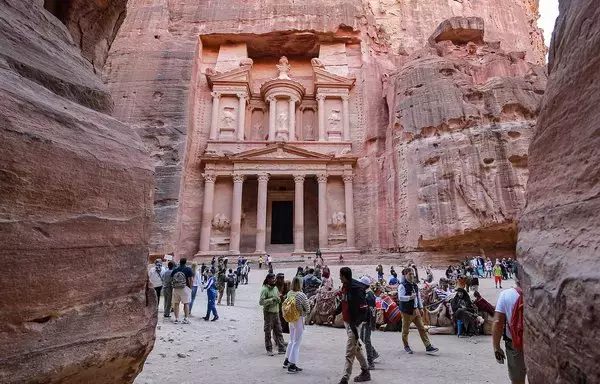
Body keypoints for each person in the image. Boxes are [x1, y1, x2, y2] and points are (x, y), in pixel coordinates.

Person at [329, 267, 371, 384]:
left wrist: (356, 325)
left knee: (349, 351)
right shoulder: (345, 287)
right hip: (348, 322)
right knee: (356, 348)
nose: (339, 278)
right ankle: (365, 371)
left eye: (340, 276)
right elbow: (343, 302)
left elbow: (364, 309)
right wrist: (334, 314)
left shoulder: (356, 289)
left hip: (354, 324)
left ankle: (345, 378)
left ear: (345, 276)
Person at [493, 267, 525, 384]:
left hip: (515, 344)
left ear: (514, 277)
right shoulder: (541, 293)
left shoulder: (506, 295)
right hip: (537, 344)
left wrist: (496, 347)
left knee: (517, 380)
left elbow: (497, 322)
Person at [398, 268, 439, 355]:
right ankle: (406, 346)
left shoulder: (414, 286)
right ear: (405, 274)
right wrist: (409, 298)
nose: (412, 275)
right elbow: (400, 298)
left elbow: (418, 297)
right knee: (405, 330)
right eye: (410, 274)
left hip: (415, 310)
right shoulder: (402, 286)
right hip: (406, 311)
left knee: (422, 328)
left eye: (413, 274)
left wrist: (420, 308)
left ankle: (428, 346)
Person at [283, 276, 310, 373]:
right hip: (298, 318)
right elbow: (308, 309)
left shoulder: (289, 293)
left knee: (291, 340)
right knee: (297, 342)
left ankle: (287, 360)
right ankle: (292, 364)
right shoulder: (301, 295)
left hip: (291, 318)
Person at [259, 273, 287, 356]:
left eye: (274, 279)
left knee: (279, 330)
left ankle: (281, 348)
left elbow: (278, 298)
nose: (274, 280)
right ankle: (269, 349)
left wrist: (278, 299)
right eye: (272, 279)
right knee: (268, 331)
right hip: (268, 313)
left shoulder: (275, 288)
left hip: (276, 312)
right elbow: (261, 302)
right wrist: (272, 300)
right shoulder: (264, 289)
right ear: (268, 279)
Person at [359, 276, 379, 370]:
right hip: (365, 320)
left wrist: (372, 323)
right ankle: (374, 353)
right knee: (362, 338)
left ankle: (370, 362)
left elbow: (372, 310)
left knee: (366, 340)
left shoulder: (369, 295)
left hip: (368, 320)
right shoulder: (366, 293)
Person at [171, 258, 194, 324]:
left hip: (176, 288)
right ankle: (185, 318)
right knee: (186, 303)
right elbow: (191, 280)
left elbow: (172, 278)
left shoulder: (175, 269)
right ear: (185, 262)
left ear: (180, 262)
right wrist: (190, 288)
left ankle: (176, 319)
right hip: (185, 287)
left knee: (176, 303)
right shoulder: (188, 269)